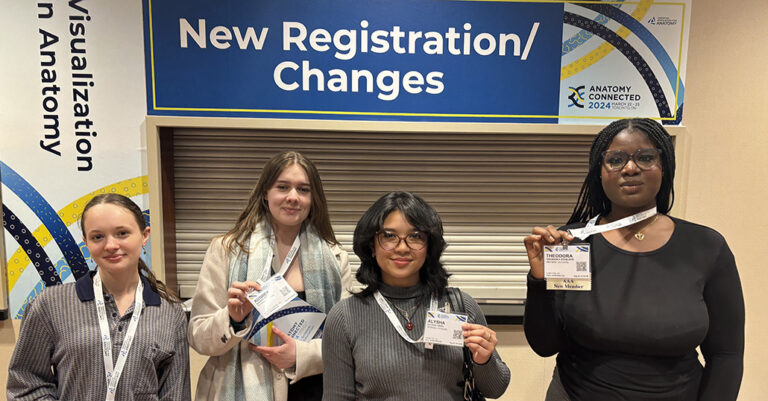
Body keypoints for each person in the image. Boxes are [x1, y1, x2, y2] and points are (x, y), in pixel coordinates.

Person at [523, 118, 745, 400]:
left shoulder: (706, 247)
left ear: (664, 167)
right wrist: (539, 282)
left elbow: (726, 355)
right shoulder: (569, 243)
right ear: (599, 172)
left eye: (646, 157)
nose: (630, 168)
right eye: (615, 160)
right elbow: (545, 345)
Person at [188, 151, 351, 401]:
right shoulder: (226, 250)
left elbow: (349, 339)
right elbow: (199, 338)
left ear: (313, 198)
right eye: (282, 187)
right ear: (265, 193)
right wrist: (232, 319)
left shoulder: (335, 257)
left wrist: (302, 355)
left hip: (314, 389)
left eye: (303, 190)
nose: (293, 197)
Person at [322, 191, 510, 400]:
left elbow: (496, 388)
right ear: (371, 246)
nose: (402, 247)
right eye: (389, 236)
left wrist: (484, 360)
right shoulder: (344, 316)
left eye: (415, 236)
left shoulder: (461, 306)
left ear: (429, 246)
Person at [7, 193, 190, 400]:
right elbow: (25, 383)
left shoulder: (170, 313)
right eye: (97, 237)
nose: (110, 245)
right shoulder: (50, 304)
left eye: (122, 233)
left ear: (144, 235)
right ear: (86, 242)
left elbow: (176, 394)